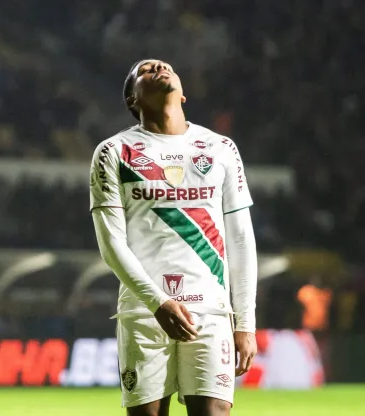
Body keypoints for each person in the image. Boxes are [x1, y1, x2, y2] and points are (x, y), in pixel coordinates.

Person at [89, 59, 258, 416]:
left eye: (165, 67)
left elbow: (241, 239)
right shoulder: (113, 152)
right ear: (132, 99)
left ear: (184, 95)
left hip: (210, 310)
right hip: (144, 310)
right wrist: (157, 303)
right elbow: (111, 244)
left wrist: (245, 322)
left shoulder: (221, 148)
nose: (158, 69)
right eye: (145, 71)